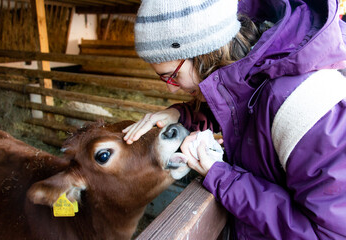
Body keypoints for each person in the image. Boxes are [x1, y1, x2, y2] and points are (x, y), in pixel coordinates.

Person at [123, 0, 346, 239]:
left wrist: (222, 177)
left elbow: (327, 234)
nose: (172, 90)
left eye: (173, 77)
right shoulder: (260, 77)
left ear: (203, 52)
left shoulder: (307, 106)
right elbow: (245, 112)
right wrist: (180, 114)